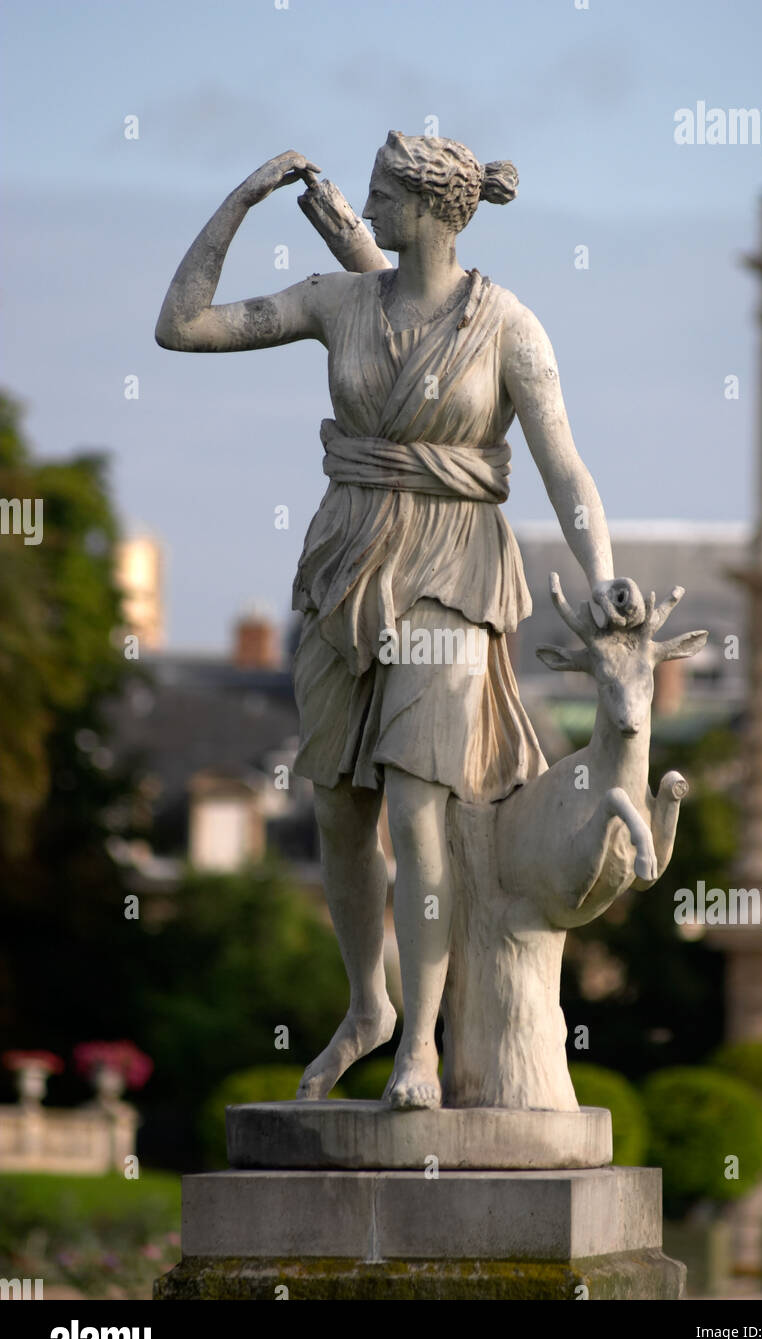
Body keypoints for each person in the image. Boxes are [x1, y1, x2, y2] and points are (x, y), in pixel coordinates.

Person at [156, 130, 630, 1109]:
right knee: (337, 803)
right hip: (344, 566)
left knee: (419, 807)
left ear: (426, 209)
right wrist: (240, 197)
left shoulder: (510, 328)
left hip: (455, 568)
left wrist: (604, 580)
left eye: (380, 196)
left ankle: (421, 1044)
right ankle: (367, 1003)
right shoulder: (340, 304)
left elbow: (564, 468)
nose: (364, 212)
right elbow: (184, 325)